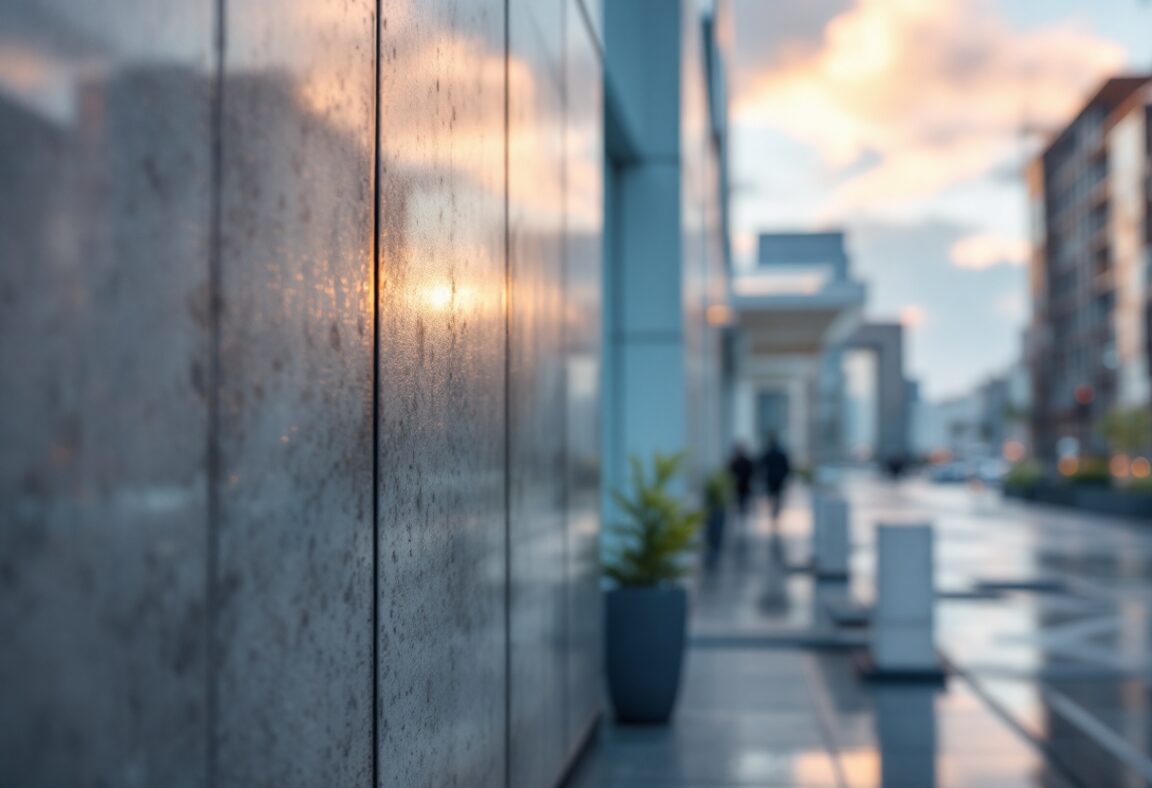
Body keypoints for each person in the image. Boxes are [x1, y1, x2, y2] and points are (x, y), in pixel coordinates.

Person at [760, 433, 792, 528]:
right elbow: (787, 467)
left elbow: (762, 464)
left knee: (772, 495)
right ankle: (776, 510)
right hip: (778, 478)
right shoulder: (780, 453)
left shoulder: (769, 453)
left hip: (771, 478)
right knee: (777, 495)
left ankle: (774, 510)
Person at [727, 443, 755, 518]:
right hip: (739, 486)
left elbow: (751, 472)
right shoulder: (735, 462)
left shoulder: (745, 461)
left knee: (743, 502)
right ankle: (742, 514)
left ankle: (742, 514)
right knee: (741, 502)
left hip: (744, 485)